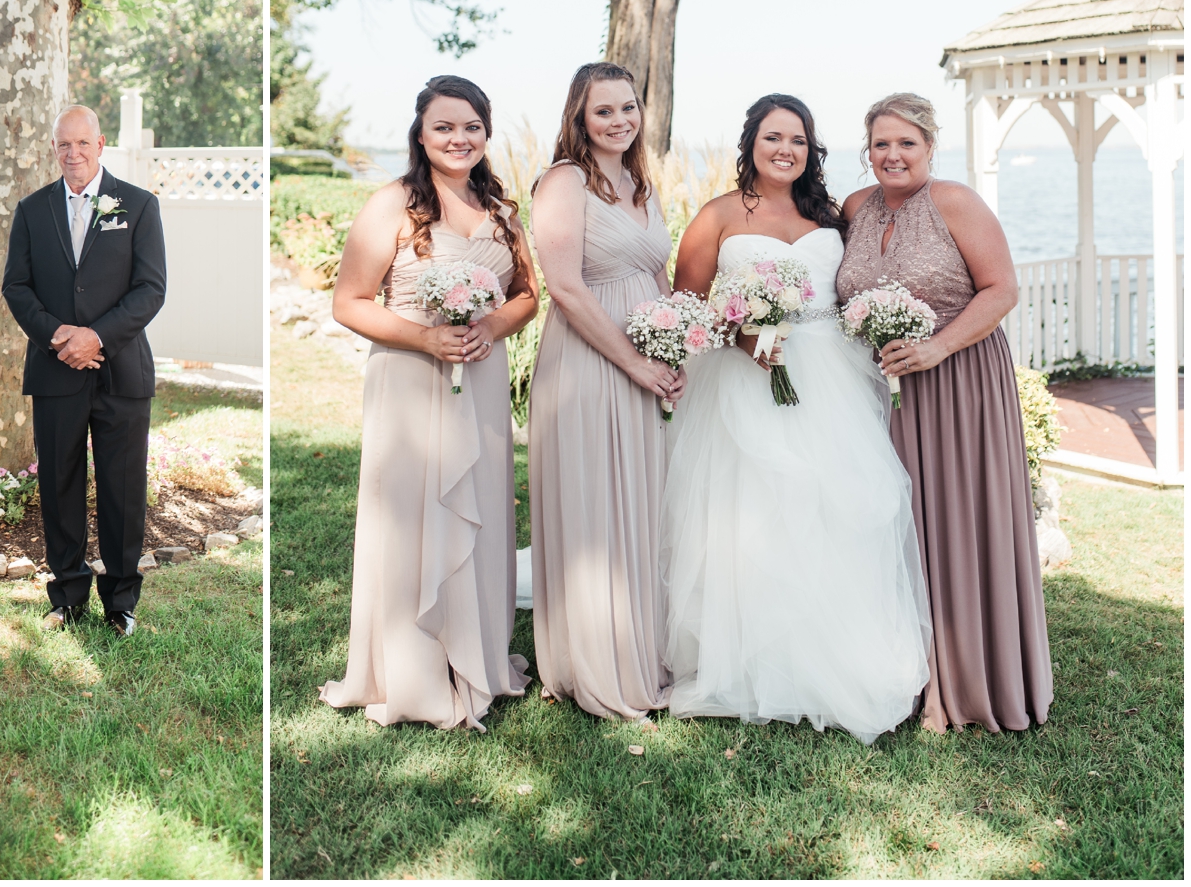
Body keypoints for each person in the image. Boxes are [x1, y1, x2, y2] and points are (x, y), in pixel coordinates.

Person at [663, 94, 930, 744]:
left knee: (833, 508)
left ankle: (836, 653)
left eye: (799, 140)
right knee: (749, 513)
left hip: (830, 377)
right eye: (773, 136)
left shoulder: (830, 213)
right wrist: (743, 338)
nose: (785, 149)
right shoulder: (717, 216)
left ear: (811, 151)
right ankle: (751, 657)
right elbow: (687, 308)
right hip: (743, 380)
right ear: (749, 139)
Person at [320, 75, 538, 731]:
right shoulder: (392, 202)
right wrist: (426, 335)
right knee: (413, 516)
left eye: (470, 125)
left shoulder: (500, 209)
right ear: (420, 133)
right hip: (410, 379)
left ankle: (474, 658)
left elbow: (527, 293)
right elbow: (348, 301)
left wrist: (490, 327)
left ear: (485, 132)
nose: (458, 137)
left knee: (478, 507)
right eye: (443, 126)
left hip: (478, 375)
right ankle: (410, 668)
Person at [836, 93, 1051, 733]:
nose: (893, 155)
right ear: (867, 150)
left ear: (930, 148)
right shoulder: (854, 209)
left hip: (960, 384)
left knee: (957, 519)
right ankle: (904, 668)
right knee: (896, 524)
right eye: (881, 144)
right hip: (879, 392)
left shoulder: (954, 201)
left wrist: (935, 348)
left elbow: (1002, 288)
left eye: (906, 143)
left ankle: (967, 678)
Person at [527, 62, 682, 721]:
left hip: (649, 351)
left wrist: (681, 343)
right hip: (592, 358)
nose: (619, 120)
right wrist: (632, 362)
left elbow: (660, 271)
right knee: (597, 499)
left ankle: (644, 644)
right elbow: (562, 284)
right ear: (579, 117)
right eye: (603, 111)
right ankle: (596, 661)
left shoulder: (639, 180)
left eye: (628, 108)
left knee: (644, 500)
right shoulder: (563, 181)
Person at [1, 105, 167, 637]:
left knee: (122, 488)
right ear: (54, 149)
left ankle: (121, 601)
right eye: (62, 146)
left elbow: (151, 288)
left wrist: (95, 337)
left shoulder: (139, 206)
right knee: (59, 484)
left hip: (121, 371)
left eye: (82, 144)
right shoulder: (32, 210)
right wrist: (58, 337)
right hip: (55, 372)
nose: (73, 154)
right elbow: (16, 287)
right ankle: (67, 595)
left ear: (101, 144)